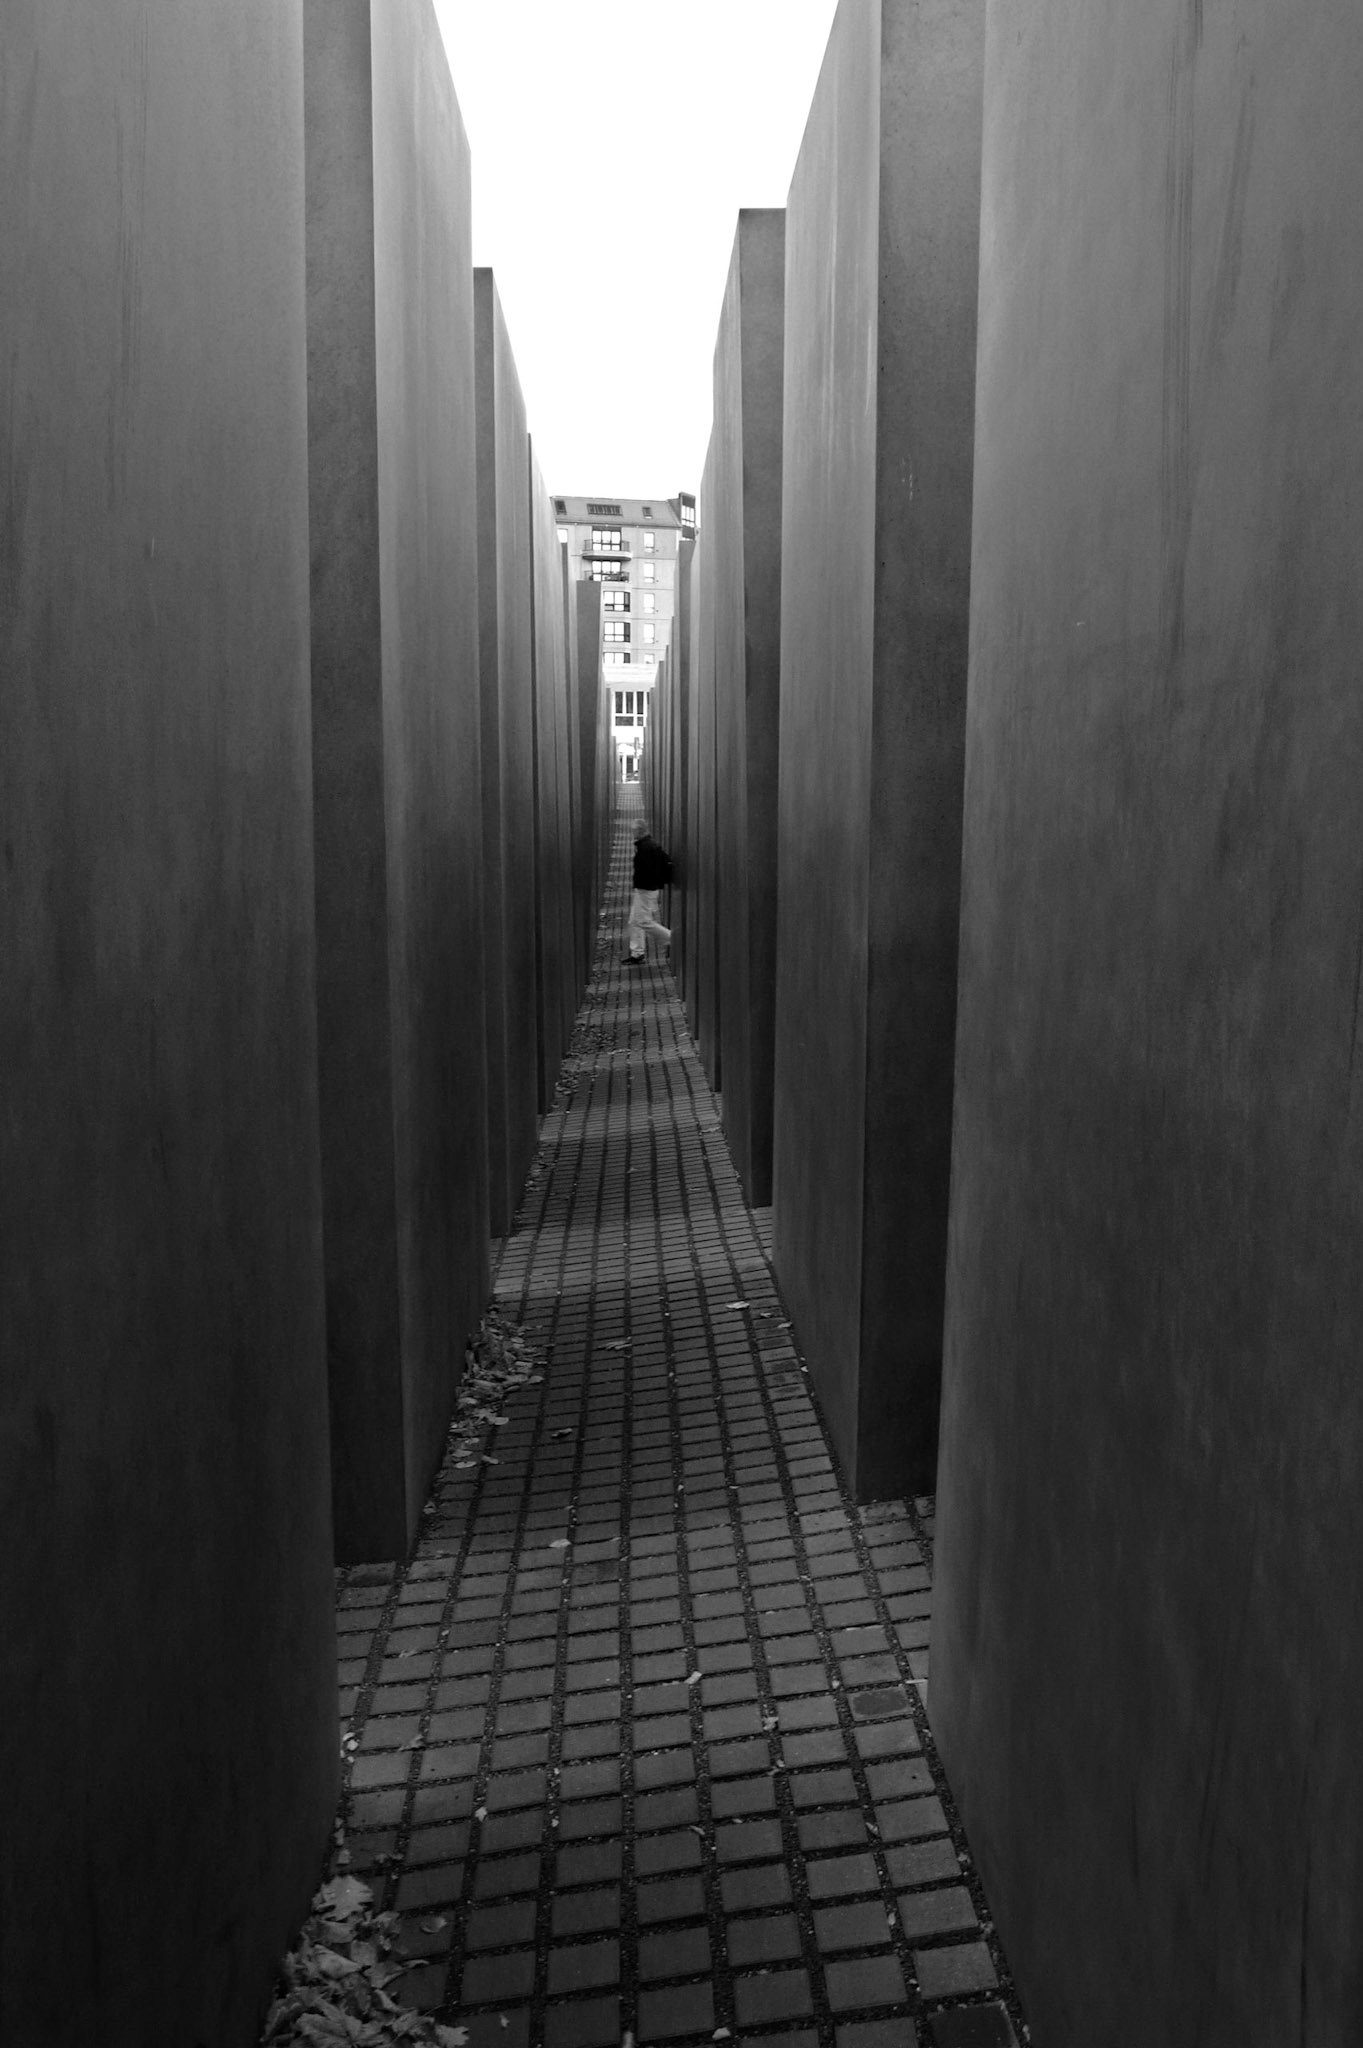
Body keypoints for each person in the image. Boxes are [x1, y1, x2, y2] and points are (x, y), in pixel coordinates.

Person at [625, 821, 674, 966]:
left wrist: (648, 884)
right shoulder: (647, 845)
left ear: (640, 831)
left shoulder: (647, 847)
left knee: (644, 921)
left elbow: (652, 870)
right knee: (634, 921)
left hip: (646, 889)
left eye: (633, 831)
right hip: (644, 888)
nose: (632, 834)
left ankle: (672, 938)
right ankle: (637, 953)